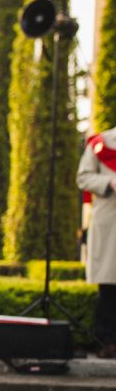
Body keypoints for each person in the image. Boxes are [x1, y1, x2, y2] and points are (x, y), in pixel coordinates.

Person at [79, 127, 116, 358]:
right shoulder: (102, 142)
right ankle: (109, 340)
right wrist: (110, 182)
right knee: (110, 284)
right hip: (110, 222)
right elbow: (82, 177)